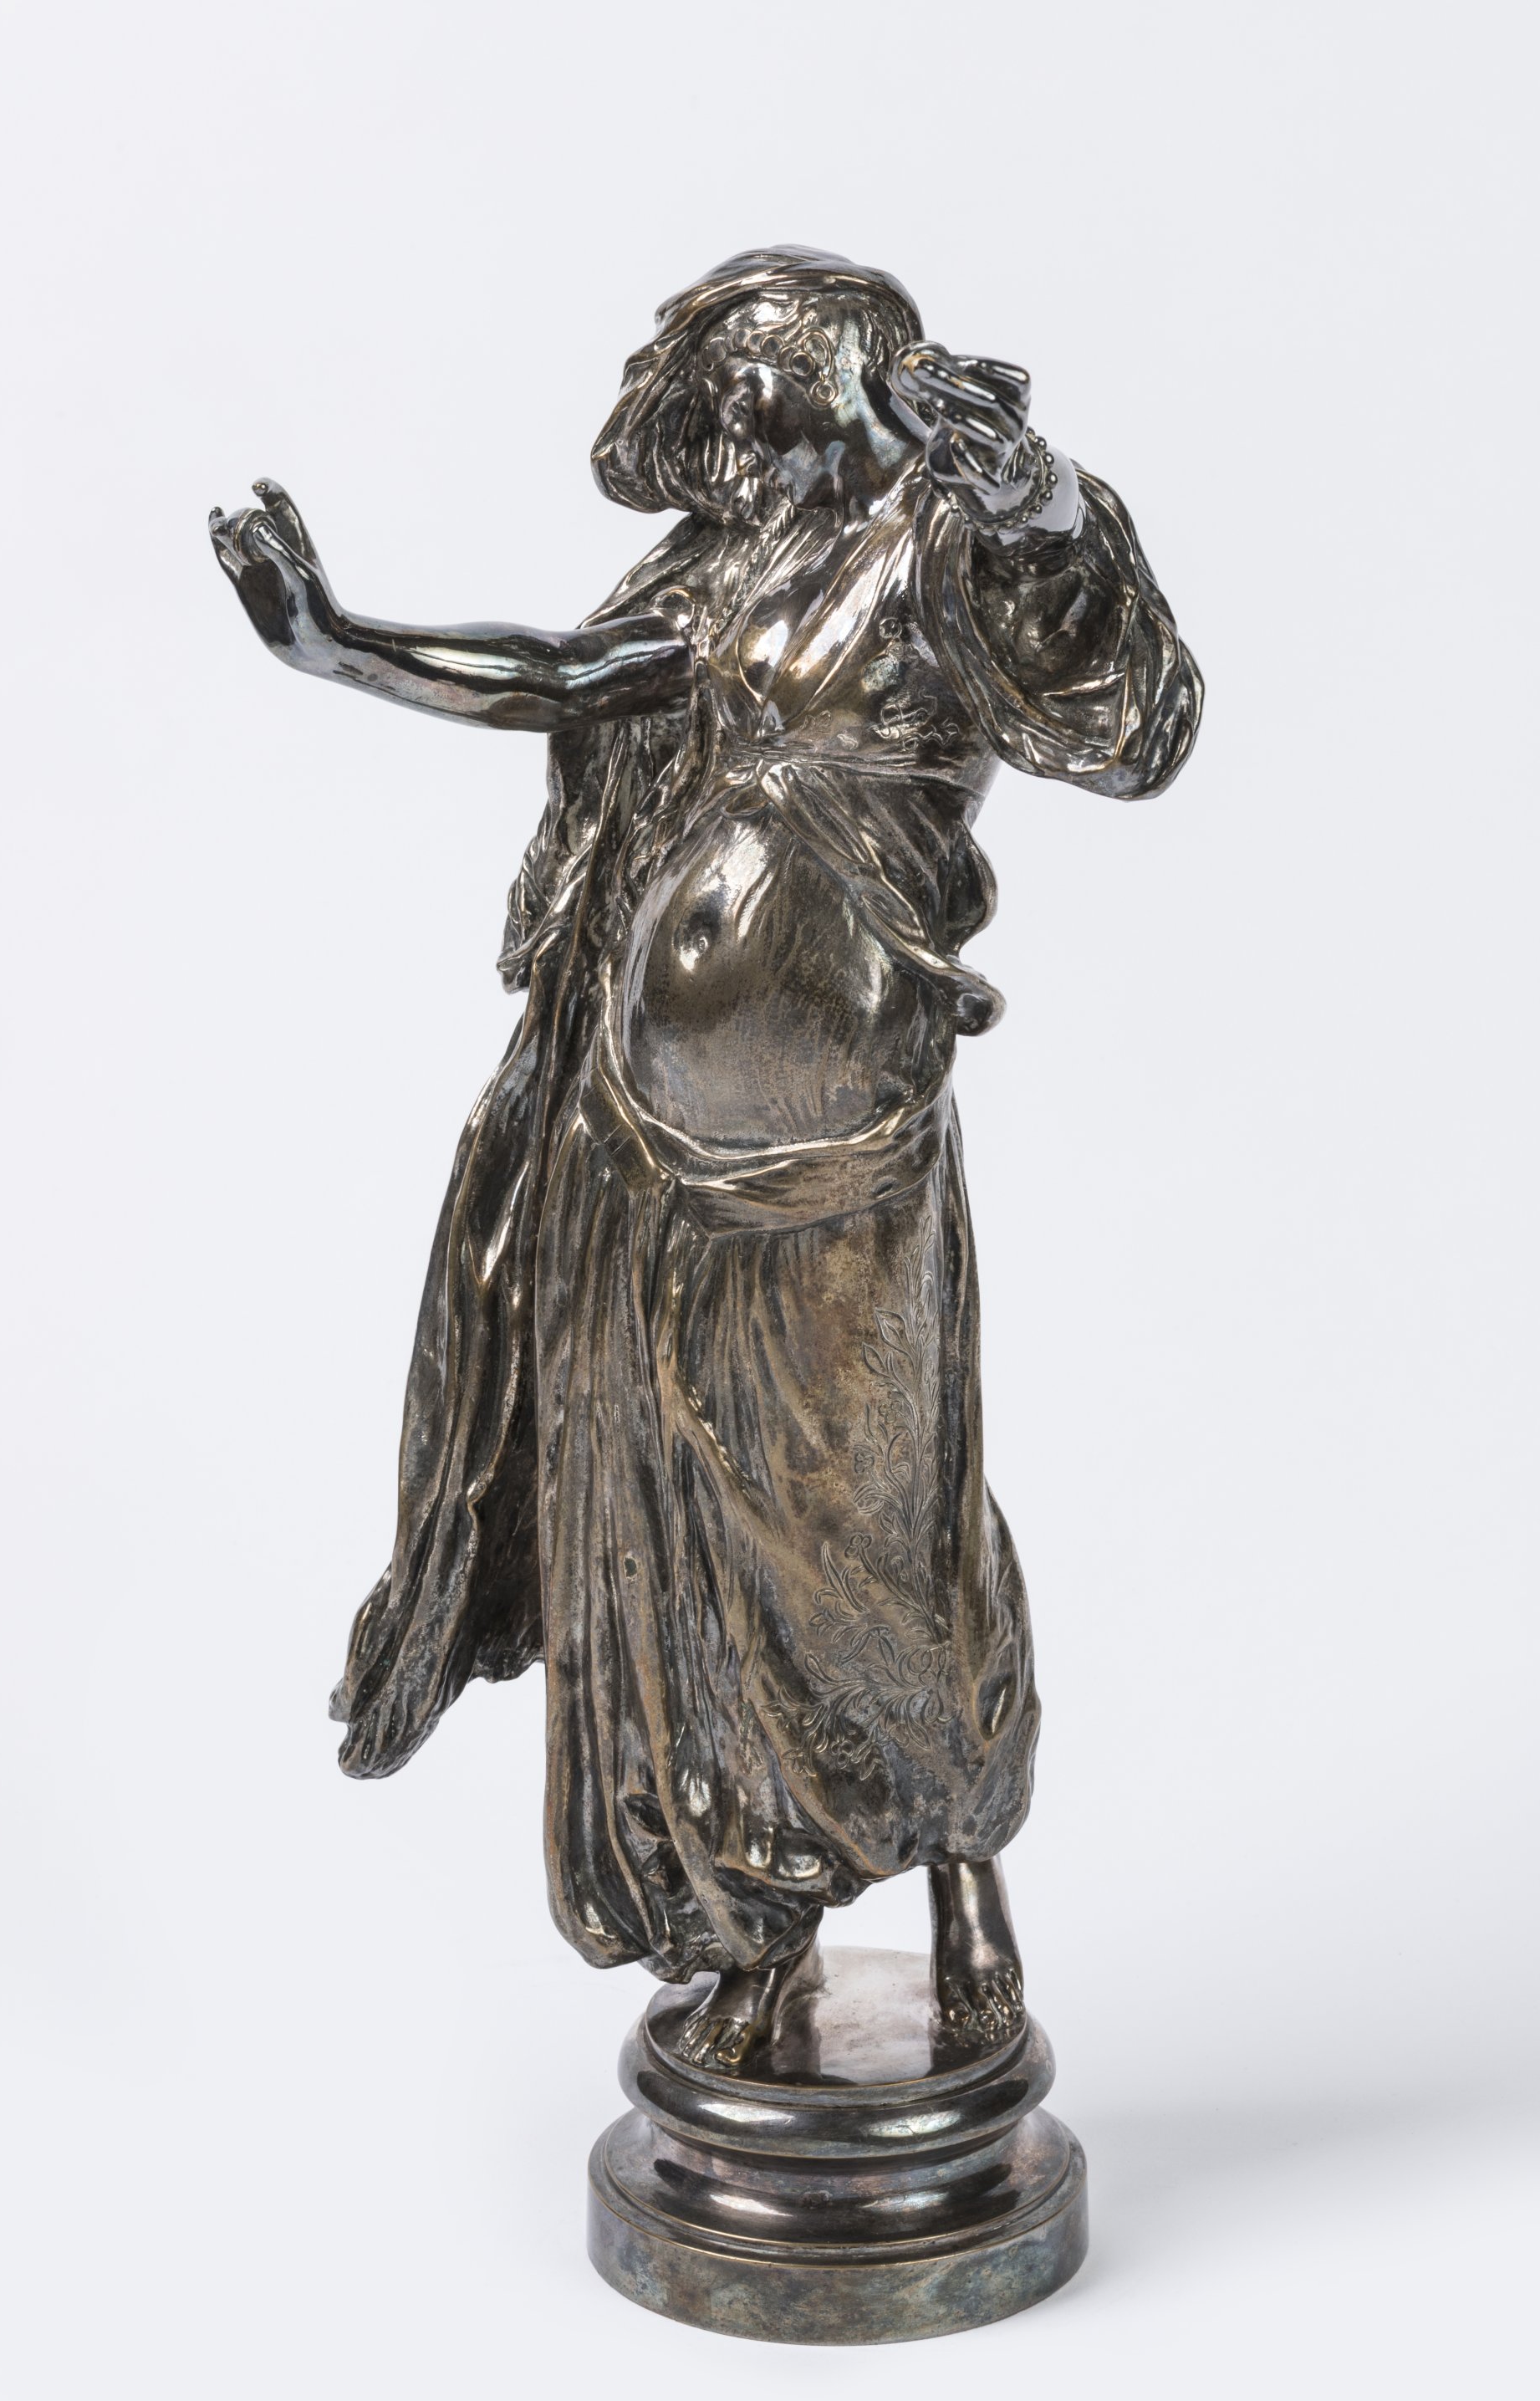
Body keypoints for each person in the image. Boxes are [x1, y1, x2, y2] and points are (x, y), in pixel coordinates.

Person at [209, 247, 1201, 2071]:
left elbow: (1124, 719)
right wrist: (337, 645)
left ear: (861, 375)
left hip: (836, 1139)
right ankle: (760, 1916)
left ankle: (961, 1861)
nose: (730, 411)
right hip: (650, 1149)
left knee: (870, 1521)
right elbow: (565, 675)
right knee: (698, 1535)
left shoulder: (949, 546)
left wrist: (1047, 512)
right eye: (723, 376)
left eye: (762, 370)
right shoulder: (729, 571)